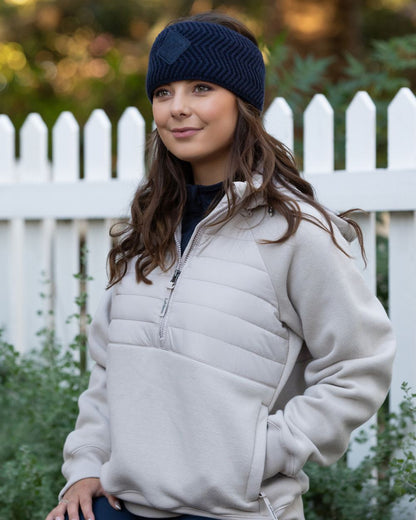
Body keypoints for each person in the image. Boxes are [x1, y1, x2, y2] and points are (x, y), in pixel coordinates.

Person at [45, 11, 396, 520]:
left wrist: (260, 454)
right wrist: (85, 466)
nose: (177, 108)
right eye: (163, 92)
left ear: (243, 103)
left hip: (237, 509)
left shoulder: (293, 231)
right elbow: (108, 368)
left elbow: (359, 365)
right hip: (126, 504)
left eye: (201, 87)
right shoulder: (147, 231)